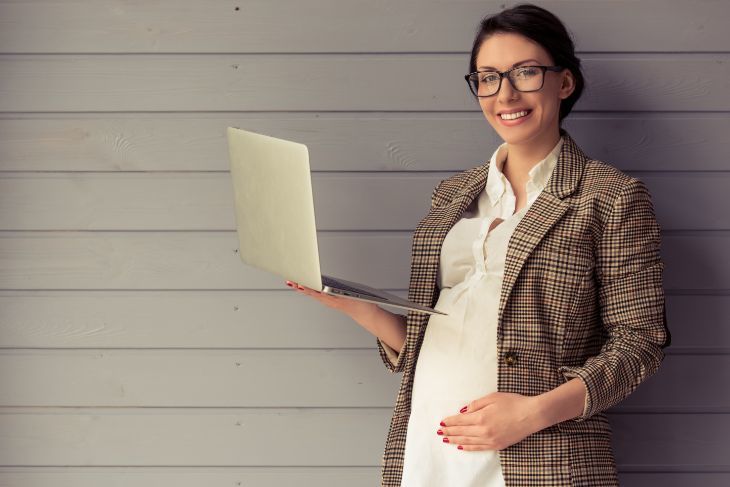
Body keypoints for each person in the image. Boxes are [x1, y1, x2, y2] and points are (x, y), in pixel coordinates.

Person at [286, 3, 671, 486]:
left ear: (564, 82)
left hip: (539, 456)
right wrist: (350, 304)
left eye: (526, 73)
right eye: (487, 77)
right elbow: (439, 335)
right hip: (430, 446)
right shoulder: (452, 195)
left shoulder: (610, 197)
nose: (505, 93)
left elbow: (640, 344)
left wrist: (532, 414)